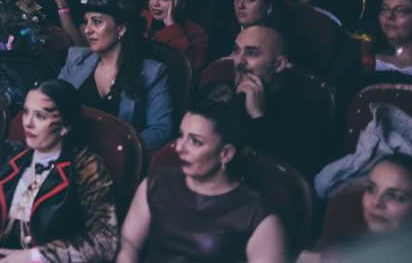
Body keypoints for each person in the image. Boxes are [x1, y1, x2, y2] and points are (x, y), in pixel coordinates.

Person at [116, 101, 287, 263]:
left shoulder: (259, 217)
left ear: (226, 154)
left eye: (196, 142)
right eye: (181, 136)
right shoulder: (155, 184)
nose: (180, 148)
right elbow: (129, 242)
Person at [0, 79, 119, 261]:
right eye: (26, 112)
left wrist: (35, 257)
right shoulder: (10, 156)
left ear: (65, 126)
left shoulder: (86, 167)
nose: (28, 123)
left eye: (40, 116)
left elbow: (106, 241)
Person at [57, 0, 175, 151]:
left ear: (121, 29)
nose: (87, 30)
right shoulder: (76, 58)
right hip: (72, 153)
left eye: (97, 22)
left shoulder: (152, 73)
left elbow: (161, 130)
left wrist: (118, 151)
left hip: (118, 162)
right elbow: (52, 104)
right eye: (86, 22)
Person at [213, 24, 326, 180]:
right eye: (237, 50)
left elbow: (291, 175)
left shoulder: (307, 105)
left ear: (278, 64)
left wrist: (258, 116)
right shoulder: (224, 90)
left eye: (251, 53)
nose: (238, 61)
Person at [142, 0, 210, 72]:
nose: (155, 3)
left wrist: (171, 27)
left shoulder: (196, 33)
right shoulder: (143, 18)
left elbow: (190, 70)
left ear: (180, 3)